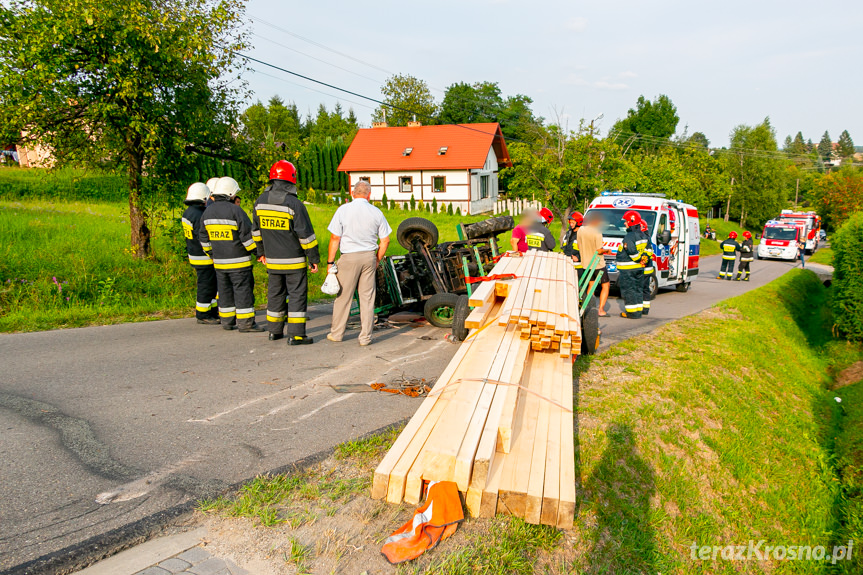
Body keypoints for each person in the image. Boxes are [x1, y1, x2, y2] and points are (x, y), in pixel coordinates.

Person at [252, 160, 320, 345]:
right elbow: (305, 235)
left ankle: (274, 331)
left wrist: (261, 253)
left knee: (275, 295)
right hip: (294, 261)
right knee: (297, 295)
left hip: (272, 261)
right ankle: (296, 335)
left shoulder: (260, 202)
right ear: (291, 179)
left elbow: (256, 232)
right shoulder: (294, 204)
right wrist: (313, 258)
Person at [326, 180, 391, 346]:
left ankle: (337, 333)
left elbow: (335, 238)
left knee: (344, 297)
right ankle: (365, 338)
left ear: (352, 193)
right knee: (367, 298)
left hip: (348, 257)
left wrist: (330, 262)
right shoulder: (376, 212)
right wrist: (376, 260)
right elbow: (385, 240)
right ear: (369, 195)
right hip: (368, 257)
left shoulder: (343, 210)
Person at [198, 177, 265, 332]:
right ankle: (246, 324)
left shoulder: (208, 212)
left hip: (219, 263)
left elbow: (203, 237)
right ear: (231, 194)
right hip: (239, 262)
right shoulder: (236, 211)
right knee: (242, 291)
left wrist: (212, 254)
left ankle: (227, 321)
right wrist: (258, 253)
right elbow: (248, 238)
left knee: (224, 291)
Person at [181, 182, 219, 325]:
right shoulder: (200, 214)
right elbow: (203, 236)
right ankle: (203, 314)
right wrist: (211, 252)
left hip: (194, 253)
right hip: (203, 256)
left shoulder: (188, 212)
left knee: (211, 284)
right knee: (206, 285)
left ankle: (212, 311)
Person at [581, 212, 612, 316]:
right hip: (597, 264)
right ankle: (601, 310)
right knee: (606, 285)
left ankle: (589, 307)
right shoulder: (597, 232)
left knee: (591, 284)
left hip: (586, 262)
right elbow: (599, 250)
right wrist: (607, 250)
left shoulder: (581, 230)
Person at [616, 210, 646, 319]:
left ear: (631, 221)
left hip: (628, 269)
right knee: (637, 289)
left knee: (629, 291)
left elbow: (631, 251)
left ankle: (632, 313)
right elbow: (646, 251)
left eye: (626, 221)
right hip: (638, 269)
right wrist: (642, 260)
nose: (624, 223)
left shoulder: (629, 236)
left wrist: (638, 259)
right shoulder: (642, 235)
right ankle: (638, 311)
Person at [638, 220, 655, 315]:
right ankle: (645, 309)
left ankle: (640, 308)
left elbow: (646, 253)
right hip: (647, 268)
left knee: (640, 288)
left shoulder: (642, 238)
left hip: (643, 267)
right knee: (645, 288)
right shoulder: (647, 237)